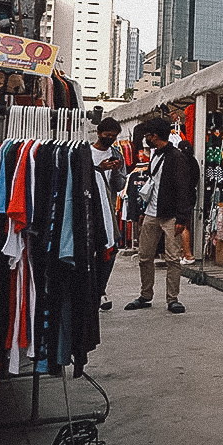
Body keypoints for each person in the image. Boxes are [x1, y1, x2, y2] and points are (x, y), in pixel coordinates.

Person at [125, 117, 195, 314]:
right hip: (151, 213)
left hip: (170, 215)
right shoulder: (155, 155)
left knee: (173, 259)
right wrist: (142, 209)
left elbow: (184, 189)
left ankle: (172, 298)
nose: (146, 139)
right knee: (144, 256)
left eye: (148, 136)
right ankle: (146, 294)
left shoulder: (176, 157)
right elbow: (152, 184)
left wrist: (182, 218)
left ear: (154, 136)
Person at [91, 117, 128, 311]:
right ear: (98, 132)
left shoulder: (116, 154)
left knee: (110, 250)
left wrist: (115, 171)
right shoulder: (85, 152)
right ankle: (91, 290)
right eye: (107, 135)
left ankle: (100, 290)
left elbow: (120, 185)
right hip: (89, 208)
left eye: (113, 136)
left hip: (108, 209)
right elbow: (80, 176)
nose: (110, 139)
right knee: (91, 250)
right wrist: (99, 168)